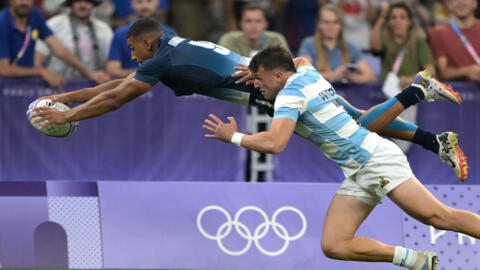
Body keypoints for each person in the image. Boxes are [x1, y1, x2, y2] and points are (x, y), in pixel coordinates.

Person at [30, 18, 468, 182]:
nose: (130, 54)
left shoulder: (160, 59)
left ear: (146, 43)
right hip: (278, 76)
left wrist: (74, 116)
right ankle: (436, 141)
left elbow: (117, 99)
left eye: (131, 47)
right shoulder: (169, 50)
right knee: (357, 117)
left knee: (360, 126)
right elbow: (115, 87)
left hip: (279, 87)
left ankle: (417, 89)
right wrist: (65, 99)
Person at [202, 45, 480, 270]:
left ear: (278, 76)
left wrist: (234, 137)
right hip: (358, 170)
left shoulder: (288, 96)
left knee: (439, 217)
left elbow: (275, 143)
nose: (256, 86)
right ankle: (415, 260)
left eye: (259, 80)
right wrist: (256, 67)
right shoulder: (307, 72)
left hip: (375, 160)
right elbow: (299, 58)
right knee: (334, 244)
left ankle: (417, 93)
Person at [0, 0, 109, 89]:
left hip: (25, 88)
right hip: (4, 91)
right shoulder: (2, 23)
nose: (24, 2)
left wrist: (89, 73)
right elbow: (3, 69)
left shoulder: (34, 15)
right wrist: (41, 71)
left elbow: (59, 48)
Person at [298, 4, 376, 84]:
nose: (331, 26)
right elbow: (304, 74)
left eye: (335, 22)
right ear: (319, 24)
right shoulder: (308, 44)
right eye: (326, 22)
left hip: (344, 93)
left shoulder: (350, 47)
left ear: (341, 25)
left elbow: (370, 76)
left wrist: (349, 76)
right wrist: (332, 75)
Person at [34, 0, 113, 79]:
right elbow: (37, 61)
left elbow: (110, 64)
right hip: (59, 86)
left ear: (93, 4)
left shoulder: (104, 29)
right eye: (78, 1)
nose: (83, 5)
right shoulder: (54, 25)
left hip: (95, 86)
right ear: (70, 4)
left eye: (87, 1)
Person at [105, 0, 177, 78]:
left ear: (157, 3)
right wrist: (138, 73)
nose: (144, 6)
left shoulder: (170, 34)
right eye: (139, 2)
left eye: (149, 1)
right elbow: (112, 69)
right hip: (131, 86)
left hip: (162, 87)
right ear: (132, 4)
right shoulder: (120, 34)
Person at [430, 0, 480, 82]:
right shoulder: (439, 33)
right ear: (449, 5)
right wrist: (468, 71)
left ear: (475, 3)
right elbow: (442, 72)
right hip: (457, 92)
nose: (461, 2)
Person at [219, 3, 289, 57]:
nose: (253, 26)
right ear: (241, 24)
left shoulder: (276, 39)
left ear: (265, 24)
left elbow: (286, 66)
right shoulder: (229, 39)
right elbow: (223, 65)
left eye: (258, 21)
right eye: (248, 21)